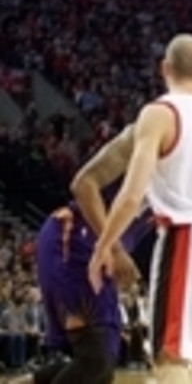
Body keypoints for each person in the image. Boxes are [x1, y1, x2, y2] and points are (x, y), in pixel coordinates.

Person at [89, 34, 192, 384]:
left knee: (168, 358)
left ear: (165, 68)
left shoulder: (160, 112)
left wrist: (103, 247)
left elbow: (131, 194)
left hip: (190, 235)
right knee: (188, 363)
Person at [10, 124, 151, 384]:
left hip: (97, 252)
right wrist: (116, 248)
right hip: (72, 239)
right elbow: (83, 184)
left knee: (102, 367)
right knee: (95, 361)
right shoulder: (142, 134)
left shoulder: (185, 175)